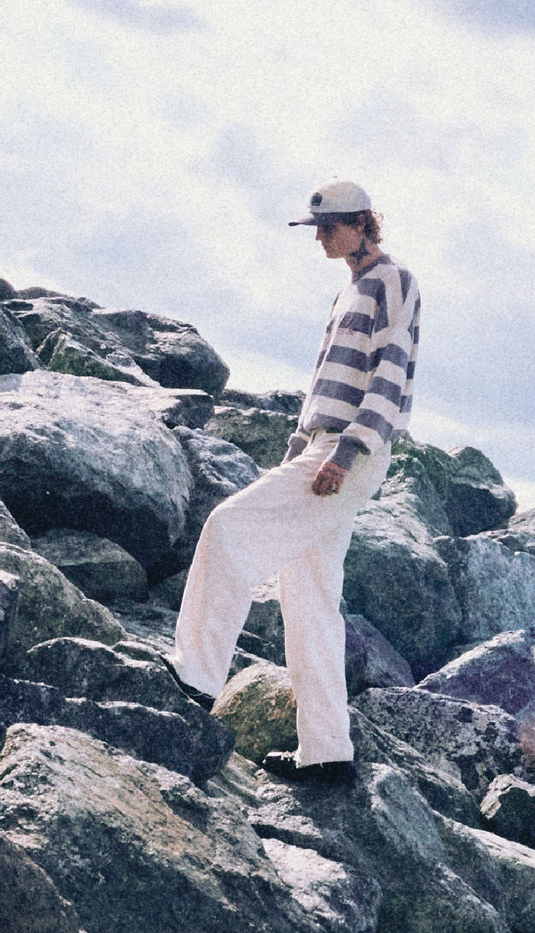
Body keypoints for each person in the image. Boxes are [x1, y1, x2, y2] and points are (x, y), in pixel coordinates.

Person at [162, 179, 420, 784]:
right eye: (316, 230)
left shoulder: (393, 281)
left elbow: (391, 373)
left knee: (228, 528)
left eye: (329, 228)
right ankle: (328, 752)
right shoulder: (350, 290)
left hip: (348, 451)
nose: (321, 239)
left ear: (362, 223)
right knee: (309, 601)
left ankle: (196, 675)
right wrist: (297, 449)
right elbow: (323, 383)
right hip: (325, 447)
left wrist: (347, 451)